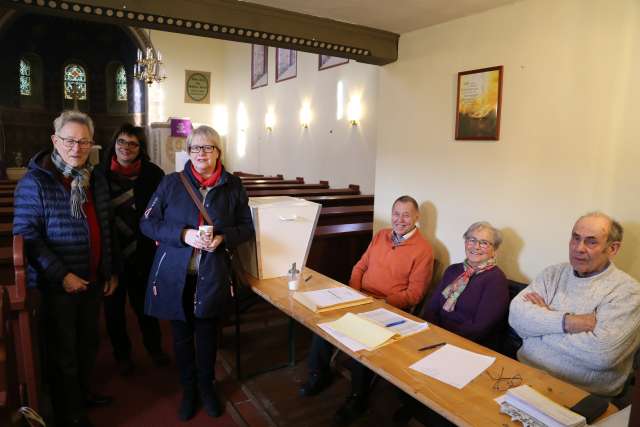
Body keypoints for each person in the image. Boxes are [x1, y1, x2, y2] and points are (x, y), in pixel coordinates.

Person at [140, 125, 254, 421]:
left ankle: (207, 387)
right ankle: (188, 390)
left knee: (206, 336)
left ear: (218, 152)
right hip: (177, 274)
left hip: (212, 274)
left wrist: (224, 237)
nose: (201, 154)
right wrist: (183, 235)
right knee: (180, 336)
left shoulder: (233, 185)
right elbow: (147, 223)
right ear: (188, 152)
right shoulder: (170, 183)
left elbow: (247, 227)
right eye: (195, 148)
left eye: (208, 147)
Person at [13, 110, 119, 427]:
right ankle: (68, 414)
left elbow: (105, 227)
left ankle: (82, 395)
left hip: (92, 279)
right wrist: (63, 276)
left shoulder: (95, 178)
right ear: (55, 141)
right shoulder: (36, 181)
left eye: (84, 141)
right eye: (70, 140)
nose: (77, 148)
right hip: (56, 284)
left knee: (88, 344)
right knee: (63, 353)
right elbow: (28, 238)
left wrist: (109, 270)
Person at [299, 195, 434, 426]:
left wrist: (382, 303)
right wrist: (355, 293)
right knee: (325, 323)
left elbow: (414, 294)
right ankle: (318, 374)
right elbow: (360, 266)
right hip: (360, 297)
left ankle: (357, 398)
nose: (400, 219)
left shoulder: (423, 250)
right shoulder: (381, 236)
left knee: (363, 340)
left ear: (416, 217)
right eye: (396, 213)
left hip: (387, 307)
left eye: (406, 214)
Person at [509, 212, 640, 398]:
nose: (578, 248)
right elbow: (515, 316)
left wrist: (538, 326)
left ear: (612, 249)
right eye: (575, 238)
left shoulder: (628, 292)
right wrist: (568, 322)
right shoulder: (553, 273)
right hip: (521, 373)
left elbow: (602, 355)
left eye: (591, 242)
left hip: (580, 394)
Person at [394, 221, 510, 426]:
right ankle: (413, 405)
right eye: (472, 240)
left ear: (494, 249)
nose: (475, 246)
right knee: (401, 360)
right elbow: (432, 307)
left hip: (469, 346)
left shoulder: (496, 280)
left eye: (484, 243)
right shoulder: (454, 270)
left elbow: (481, 327)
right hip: (439, 337)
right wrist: (429, 333)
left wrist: (444, 342)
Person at [101, 123, 169, 376]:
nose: (126, 148)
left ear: (140, 148)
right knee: (114, 311)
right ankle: (122, 355)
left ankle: (155, 349)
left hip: (143, 252)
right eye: (121, 142)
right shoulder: (99, 174)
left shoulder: (153, 174)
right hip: (112, 253)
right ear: (114, 143)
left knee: (146, 307)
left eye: (132, 144)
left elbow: (163, 210)